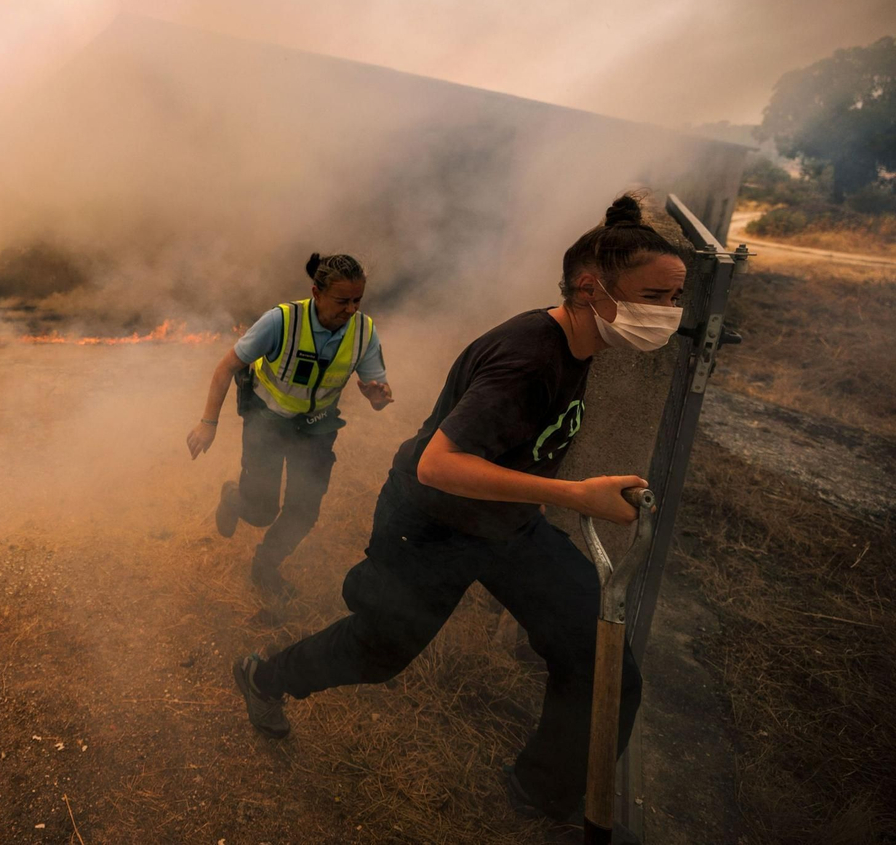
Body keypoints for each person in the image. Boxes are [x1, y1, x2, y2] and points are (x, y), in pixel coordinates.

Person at [230, 194, 685, 832]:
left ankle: (542, 797)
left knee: (598, 657)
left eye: (675, 298)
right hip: (432, 524)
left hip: (507, 523)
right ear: (592, 289)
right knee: (378, 651)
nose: (669, 314)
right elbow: (438, 465)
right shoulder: (527, 357)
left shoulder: (583, 344)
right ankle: (264, 675)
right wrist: (576, 496)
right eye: (655, 297)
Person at [187, 252, 393, 596]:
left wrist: (378, 397)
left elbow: (378, 398)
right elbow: (226, 368)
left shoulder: (364, 332)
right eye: (342, 300)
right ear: (316, 292)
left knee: (304, 510)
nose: (351, 309)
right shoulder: (281, 321)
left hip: (316, 429)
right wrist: (208, 422)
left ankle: (266, 566)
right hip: (266, 423)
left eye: (358, 300)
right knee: (261, 511)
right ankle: (235, 498)